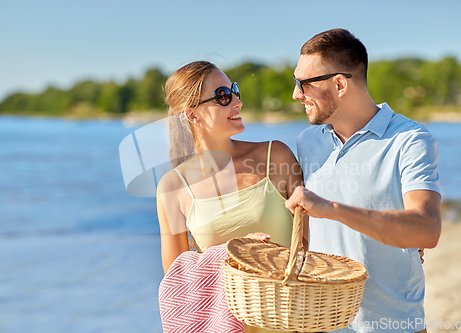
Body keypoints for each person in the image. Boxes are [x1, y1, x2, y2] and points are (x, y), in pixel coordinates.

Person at [284, 29, 441, 333]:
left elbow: (427, 229)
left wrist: (330, 208)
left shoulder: (410, 140)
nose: (296, 94)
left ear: (340, 84)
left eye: (303, 84)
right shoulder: (307, 142)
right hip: (321, 326)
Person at [156, 61, 302, 333]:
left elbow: (311, 241)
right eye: (223, 96)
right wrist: (233, 252)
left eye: (234, 90)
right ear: (192, 115)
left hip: (291, 322)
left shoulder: (275, 156)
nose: (237, 101)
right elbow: (176, 283)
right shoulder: (173, 186)